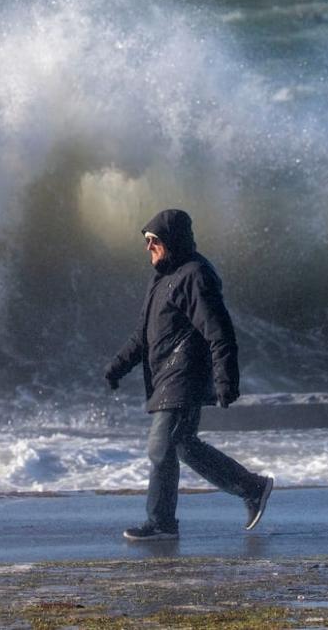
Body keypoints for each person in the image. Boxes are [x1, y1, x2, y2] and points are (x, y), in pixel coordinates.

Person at [105, 209, 273, 541]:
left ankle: (162, 523)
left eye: (154, 241)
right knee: (183, 446)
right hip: (166, 377)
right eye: (147, 241)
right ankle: (252, 487)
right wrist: (117, 367)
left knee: (161, 447)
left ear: (172, 240)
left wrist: (226, 379)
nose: (148, 247)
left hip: (185, 375)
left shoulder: (196, 275)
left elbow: (218, 330)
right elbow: (143, 336)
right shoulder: (162, 279)